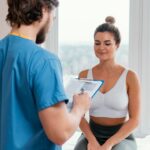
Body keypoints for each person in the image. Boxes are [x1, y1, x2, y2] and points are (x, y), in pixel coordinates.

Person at [0, 0, 91, 150]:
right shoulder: (44, 61)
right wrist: (80, 107)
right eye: (53, 17)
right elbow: (60, 133)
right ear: (43, 9)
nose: (52, 24)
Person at [74, 16, 141, 150]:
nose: (101, 48)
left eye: (107, 43)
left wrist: (109, 144)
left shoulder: (130, 77)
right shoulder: (85, 75)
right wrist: (92, 141)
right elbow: (78, 115)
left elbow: (135, 120)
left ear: (117, 45)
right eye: (97, 43)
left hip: (121, 137)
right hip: (91, 135)